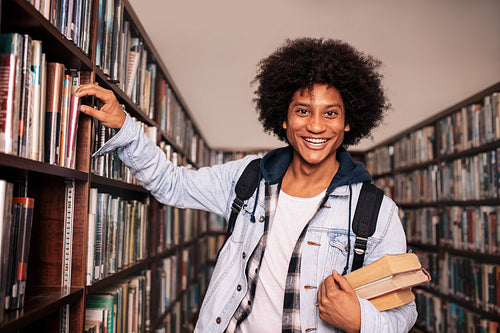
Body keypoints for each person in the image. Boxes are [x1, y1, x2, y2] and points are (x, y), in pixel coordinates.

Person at [75, 37, 417, 333]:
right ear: (283, 118)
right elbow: (172, 184)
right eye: (302, 110)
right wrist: (124, 126)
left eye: (330, 113)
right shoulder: (248, 178)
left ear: (347, 123)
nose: (315, 126)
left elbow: (404, 310)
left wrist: (361, 321)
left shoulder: (375, 211)